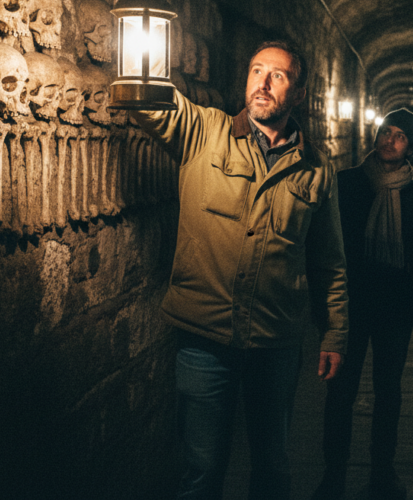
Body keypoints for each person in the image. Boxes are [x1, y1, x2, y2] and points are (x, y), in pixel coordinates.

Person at [131, 38, 349, 500]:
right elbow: (145, 103)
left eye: (278, 75)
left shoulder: (315, 169)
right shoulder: (203, 130)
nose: (263, 83)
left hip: (275, 341)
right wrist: (143, 20)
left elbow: (329, 258)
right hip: (205, 339)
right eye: (256, 70)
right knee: (202, 469)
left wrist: (334, 333)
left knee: (272, 467)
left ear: (298, 92)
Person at [312, 109, 413, 500]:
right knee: (341, 392)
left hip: (394, 309)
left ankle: (383, 470)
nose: (389, 140)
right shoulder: (347, 183)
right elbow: (328, 246)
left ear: (411, 146)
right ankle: (334, 475)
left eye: (400, 136)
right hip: (351, 304)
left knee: (388, 392)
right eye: (386, 131)